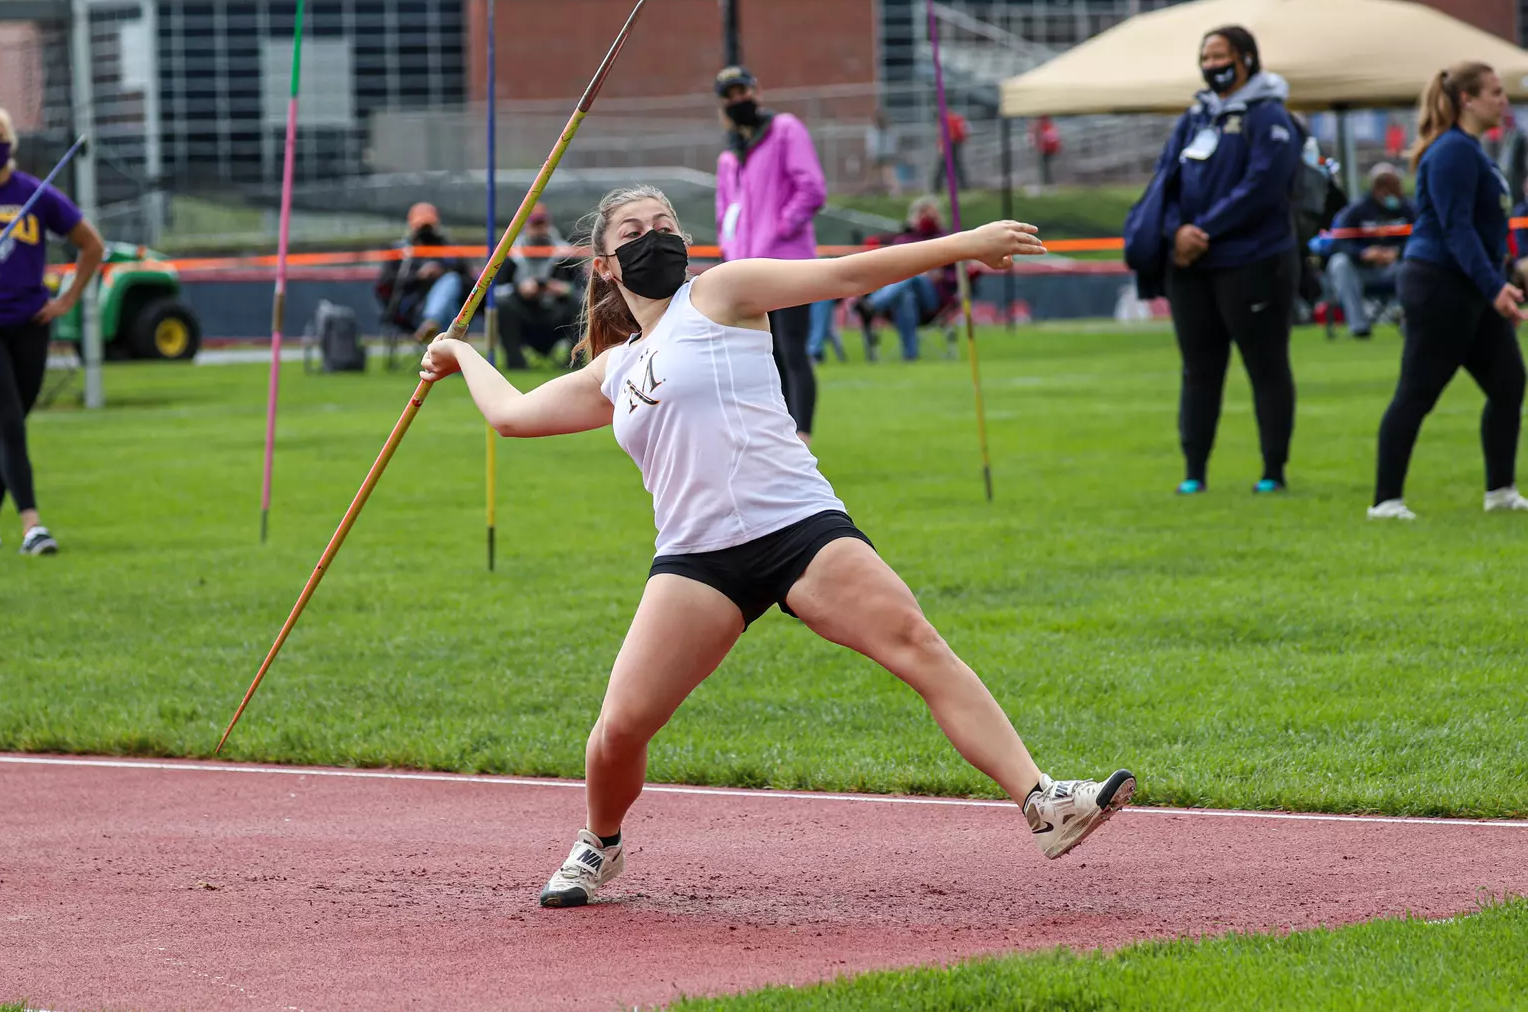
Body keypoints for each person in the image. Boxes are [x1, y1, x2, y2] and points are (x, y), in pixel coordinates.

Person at [418, 185, 1135, 908]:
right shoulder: (616, 368)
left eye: (665, 224)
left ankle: (1042, 800)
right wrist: (459, 354)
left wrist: (965, 244)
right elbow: (513, 416)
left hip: (797, 525)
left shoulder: (722, 293)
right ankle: (600, 843)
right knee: (618, 731)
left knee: (916, 643)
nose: (653, 237)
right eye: (632, 232)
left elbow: (845, 275)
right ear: (604, 265)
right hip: (698, 559)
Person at [1369, 62, 1528, 521]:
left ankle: (1501, 492)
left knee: (1508, 383)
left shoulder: (1471, 150)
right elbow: (1456, 228)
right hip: (1440, 284)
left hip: (1472, 286)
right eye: (1495, 92)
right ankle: (1386, 502)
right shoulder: (1453, 151)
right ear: (1466, 100)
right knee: (1418, 391)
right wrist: (1495, 287)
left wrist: (1497, 282)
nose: (1503, 101)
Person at [1155, 25, 1301, 496]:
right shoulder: (1195, 116)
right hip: (1191, 265)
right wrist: (1177, 231)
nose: (1212, 65)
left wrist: (1206, 230)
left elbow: (1264, 185)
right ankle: (1194, 471)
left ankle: (1273, 470)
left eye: (1221, 55)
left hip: (1254, 260)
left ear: (1247, 59)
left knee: (1266, 366)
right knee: (1199, 370)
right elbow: (1165, 180)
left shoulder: (1269, 114)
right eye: (1206, 57)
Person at [0, 106, 105, 556]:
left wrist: (66, 299)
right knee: (8, 421)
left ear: (12, 142)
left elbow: (91, 245)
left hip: (30, 324)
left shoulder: (35, 193)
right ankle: (32, 525)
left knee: (10, 427)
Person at [714, 65, 827, 443]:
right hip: (747, 271)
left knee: (793, 350)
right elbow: (725, 214)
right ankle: (778, 435)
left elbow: (811, 188)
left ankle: (802, 435)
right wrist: (732, 255)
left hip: (787, 262)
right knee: (763, 355)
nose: (738, 100)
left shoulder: (785, 130)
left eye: (742, 91)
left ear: (757, 92)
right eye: (729, 96)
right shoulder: (730, 157)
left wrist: (781, 227)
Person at [856, 195, 957, 362]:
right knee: (906, 295)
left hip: (933, 299)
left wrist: (941, 275)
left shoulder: (946, 240)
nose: (926, 218)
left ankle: (872, 305)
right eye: (922, 213)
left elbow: (957, 275)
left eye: (930, 213)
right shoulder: (904, 240)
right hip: (904, 295)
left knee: (912, 274)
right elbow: (890, 270)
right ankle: (911, 356)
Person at [1323, 163, 1407, 339]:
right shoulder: (1356, 211)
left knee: (1415, 266)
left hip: (1395, 268)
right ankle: (1359, 326)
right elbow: (1338, 242)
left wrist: (1397, 252)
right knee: (1339, 263)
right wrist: (1363, 253)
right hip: (1362, 270)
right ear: (1378, 189)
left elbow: (1420, 238)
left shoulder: (1407, 209)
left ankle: (1409, 322)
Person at [493, 204, 581, 369]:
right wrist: (519, 289)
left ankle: (575, 362)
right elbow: (497, 290)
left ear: (549, 224)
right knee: (503, 304)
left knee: (580, 302)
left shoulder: (565, 253)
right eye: (535, 225)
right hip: (525, 316)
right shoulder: (511, 252)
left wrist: (563, 289)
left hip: (556, 316)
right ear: (526, 226)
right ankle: (516, 363)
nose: (539, 230)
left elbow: (582, 288)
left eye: (542, 224)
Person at [374, 203, 469, 345]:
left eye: (428, 226)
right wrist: (418, 276)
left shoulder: (447, 249)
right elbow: (385, 282)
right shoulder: (400, 250)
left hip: (448, 302)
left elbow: (466, 277)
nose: (425, 231)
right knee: (450, 297)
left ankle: (435, 325)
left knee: (451, 280)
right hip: (413, 309)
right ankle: (453, 340)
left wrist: (441, 271)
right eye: (420, 226)